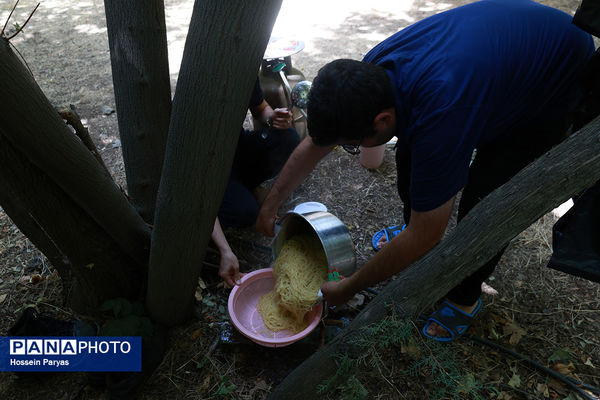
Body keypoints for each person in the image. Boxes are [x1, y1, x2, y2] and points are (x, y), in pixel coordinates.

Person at [255, 0, 594, 340]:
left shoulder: (443, 112)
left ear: (382, 120)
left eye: (353, 144)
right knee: (410, 159)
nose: (350, 150)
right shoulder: (372, 73)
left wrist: (350, 287)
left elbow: (428, 231)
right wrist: (272, 204)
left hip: (553, 76)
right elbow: (318, 141)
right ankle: (407, 234)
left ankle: (464, 297)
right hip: (500, 54)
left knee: (487, 196)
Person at [213, 78, 301, 286]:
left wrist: (274, 117)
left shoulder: (244, 68)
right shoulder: (195, 90)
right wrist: (225, 250)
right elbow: (194, 190)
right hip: (209, 167)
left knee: (288, 138)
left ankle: (246, 186)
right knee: (245, 213)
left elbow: (261, 109)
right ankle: (240, 192)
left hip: (237, 148)